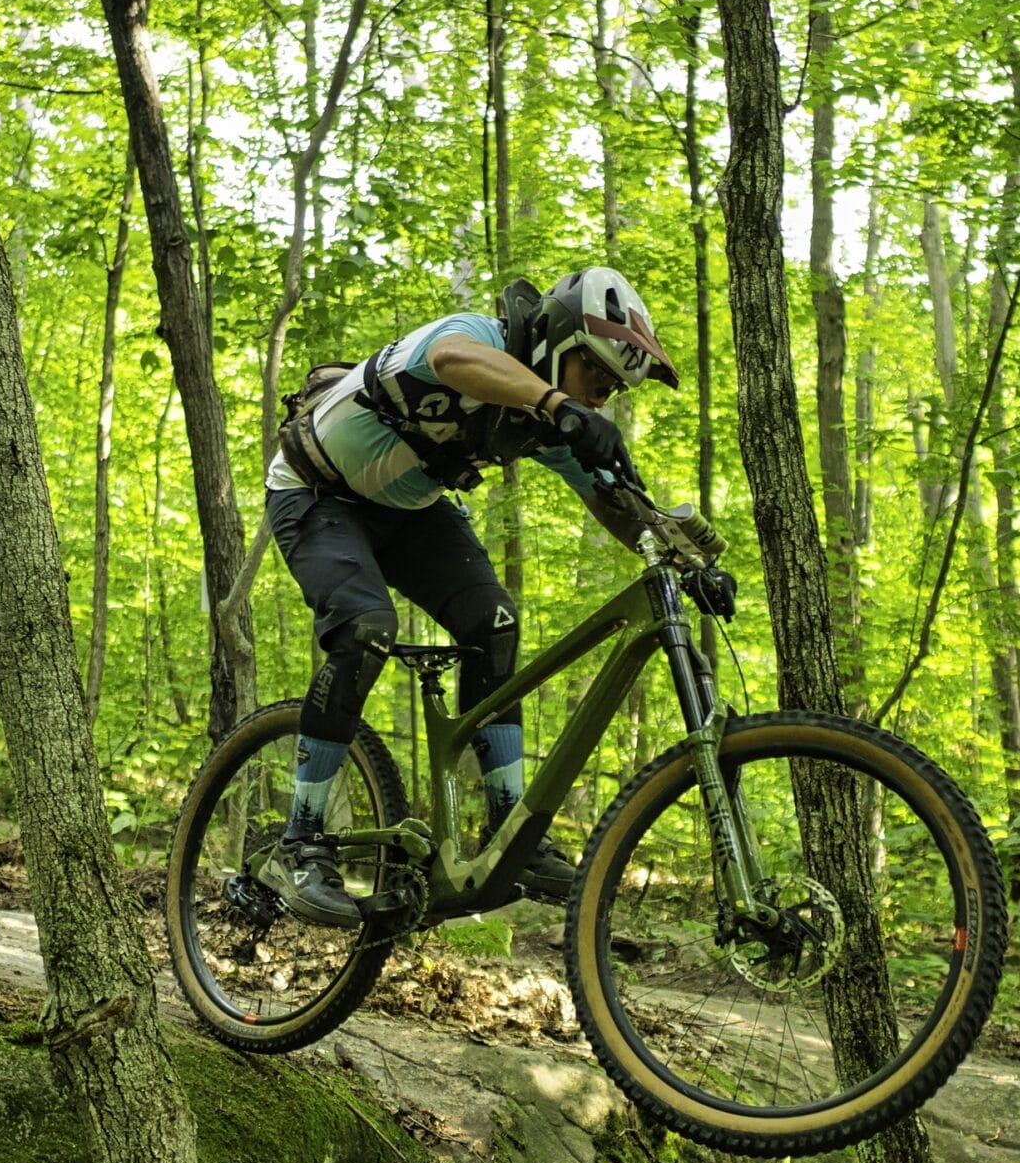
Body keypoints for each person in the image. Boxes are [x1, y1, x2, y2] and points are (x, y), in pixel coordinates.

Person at [260, 266, 720, 927]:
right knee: (365, 626)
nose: (600, 402)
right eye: (597, 382)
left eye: (612, 392)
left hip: (408, 513)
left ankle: (513, 838)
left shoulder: (543, 422)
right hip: (316, 495)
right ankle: (298, 843)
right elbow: (451, 361)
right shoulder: (477, 338)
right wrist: (558, 405)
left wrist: (685, 561)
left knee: (495, 621)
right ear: (562, 346)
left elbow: (616, 502)